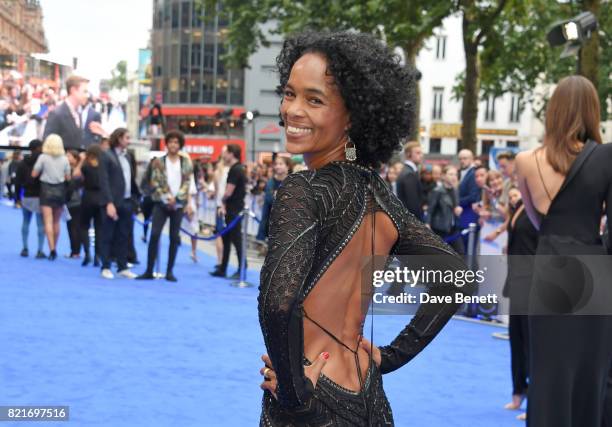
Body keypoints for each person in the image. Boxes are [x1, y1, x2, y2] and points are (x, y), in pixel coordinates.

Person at [256, 31, 473, 426]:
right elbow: (457, 276)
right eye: (289, 94)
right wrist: (390, 357)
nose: (292, 110)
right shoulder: (383, 197)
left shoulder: (303, 190)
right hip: (370, 396)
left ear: (352, 116)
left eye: (314, 99)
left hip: (312, 399)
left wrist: (292, 395)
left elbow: (277, 303)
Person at [515, 75, 612, 427]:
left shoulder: (525, 161)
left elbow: (536, 220)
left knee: (548, 373)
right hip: (594, 272)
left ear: (553, 110)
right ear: (592, 111)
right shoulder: (606, 157)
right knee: (591, 374)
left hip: (549, 271)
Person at [501, 186, 538, 421]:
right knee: (516, 339)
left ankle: (534, 399)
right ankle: (518, 392)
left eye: (518, 193)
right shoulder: (515, 212)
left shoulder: (536, 212)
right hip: (516, 282)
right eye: (512, 194)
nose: (514, 197)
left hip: (534, 283)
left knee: (531, 343)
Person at [137, 130, 193, 282]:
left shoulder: (186, 162)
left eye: (176, 142)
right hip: (161, 203)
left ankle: (170, 271)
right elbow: (155, 181)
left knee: (174, 237)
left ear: (180, 144)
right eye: (171, 142)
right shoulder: (158, 161)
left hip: (178, 205)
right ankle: (149, 270)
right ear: (166, 144)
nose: (173, 145)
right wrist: (167, 197)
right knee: (154, 235)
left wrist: (177, 199)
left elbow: (187, 182)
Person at [98, 128, 140, 279]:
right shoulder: (106, 156)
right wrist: (109, 203)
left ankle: (122, 266)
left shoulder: (128, 156)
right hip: (112, 202)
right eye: (127, 138)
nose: (129, 141)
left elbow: (131, 178)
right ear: (119, 139)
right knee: (108, 234)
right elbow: (103, 181)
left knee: (124, 235)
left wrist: (135, 199)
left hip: (127, 201)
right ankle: (105, 266)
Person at [209, 143, 247, 279]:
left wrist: (222, 203)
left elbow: (228, 191)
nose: (223, 155)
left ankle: (242, 268)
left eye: (225, 153)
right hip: (234, 209)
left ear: (231, 154)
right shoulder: (238, 169)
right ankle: (223, 268)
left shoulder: (235, 170)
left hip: (233, 210)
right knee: (227, 239)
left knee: (236, 240)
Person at [31, 134, 70, 261]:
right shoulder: (64, 159)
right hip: (60, 190)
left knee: (47, 221)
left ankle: (51, 249)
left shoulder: (43, 157)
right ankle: (56, 248)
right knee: (56, 222)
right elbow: (68, 177)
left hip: (45, 189)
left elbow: (34, 173)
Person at [14, 139, 46, 258]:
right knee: (40, 224)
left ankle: (25, 248)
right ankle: (40, 250)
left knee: (25, 222)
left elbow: (17, 182)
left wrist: (17, 197)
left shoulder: (22, 163)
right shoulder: (43, 161)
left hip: (26, 195)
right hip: (40, 196)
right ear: (39, 147)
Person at [43, 76, 89, 150]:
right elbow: (48, 145)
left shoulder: (78, 114)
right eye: (85, 91)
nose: (87, 95)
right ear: (73, 90)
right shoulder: (57, 114)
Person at [426, 165, 464, 255]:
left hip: (453, 229)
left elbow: (454, 207)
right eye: (451, 174)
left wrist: (458, 210)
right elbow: (430, 210)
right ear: (443, 176)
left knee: (461, 253)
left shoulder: (455, 191)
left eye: (455, 174)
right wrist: (427, 224)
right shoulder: (437, 191)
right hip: (440, 229)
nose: (454, 177)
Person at [256, 156, 292, 246]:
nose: (278, 166)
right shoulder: (270, 182)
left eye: (281, 164)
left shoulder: (291, 182)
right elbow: (269, 201)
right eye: (276, 164)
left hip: (288, 225)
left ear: (287, 166)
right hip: (271, 226)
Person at [79, 144, 105, 267]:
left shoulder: (85, 166)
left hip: (87, 197)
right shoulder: (103, 167)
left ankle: (87, 252)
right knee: (99, 228)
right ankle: (97, 255)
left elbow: (76, 175)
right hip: (100, 198)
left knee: (84, 226)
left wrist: (82, 160)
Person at [396, 141, 424, 220]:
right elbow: (413, 204)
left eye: (421, 153)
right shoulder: (409, 174)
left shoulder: (409, 171)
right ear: (408, 154)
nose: (421, 156)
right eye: (418, 153)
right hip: (411, 222)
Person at [65, 149, 83, 258]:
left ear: (76, 159)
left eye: (69, 156)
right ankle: (75, 251)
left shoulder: (76, 171)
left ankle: (75, 251)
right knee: (73, 227)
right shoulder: (69, 169)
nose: (66, 158)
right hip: (72, 201)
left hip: (75, 201)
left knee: (74, 227)